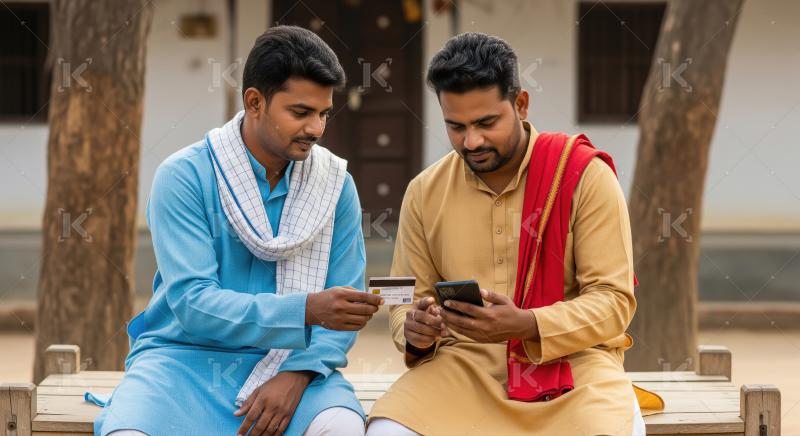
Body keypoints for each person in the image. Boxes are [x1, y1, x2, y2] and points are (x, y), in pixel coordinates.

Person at [94, 25, 383, 436]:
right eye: (301, 113)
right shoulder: (185, 177)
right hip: (181, 362)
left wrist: (296, 376)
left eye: (324, 114)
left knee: (341, 429)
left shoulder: (334, 184)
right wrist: (306, 309)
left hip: (294, 361)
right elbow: (194, 305)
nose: (316, 129)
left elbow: (338, 314)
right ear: (254, 102)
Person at [366, 32, 652, 435]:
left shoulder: (583, 177)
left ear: (520, 104)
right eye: (456, 127)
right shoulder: (424, 192)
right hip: (462, 366)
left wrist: (526, 324)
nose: (472, 141)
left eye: (486, 123)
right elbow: (401, 299)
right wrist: (414, 330)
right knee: (386, 431)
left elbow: (613, 301)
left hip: (572, 367)